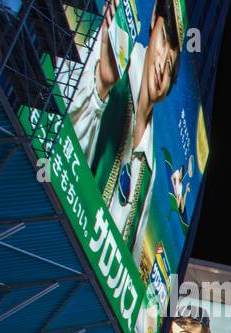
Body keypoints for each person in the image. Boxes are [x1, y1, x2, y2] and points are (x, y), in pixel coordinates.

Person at [67, 0, 185, 270]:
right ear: (153, 22)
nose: (162, 66)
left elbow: (129, 262)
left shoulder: (151, 168)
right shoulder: (110, 57)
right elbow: (56, 136)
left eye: (171, 63)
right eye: (163, 39)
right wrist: (100, 88)